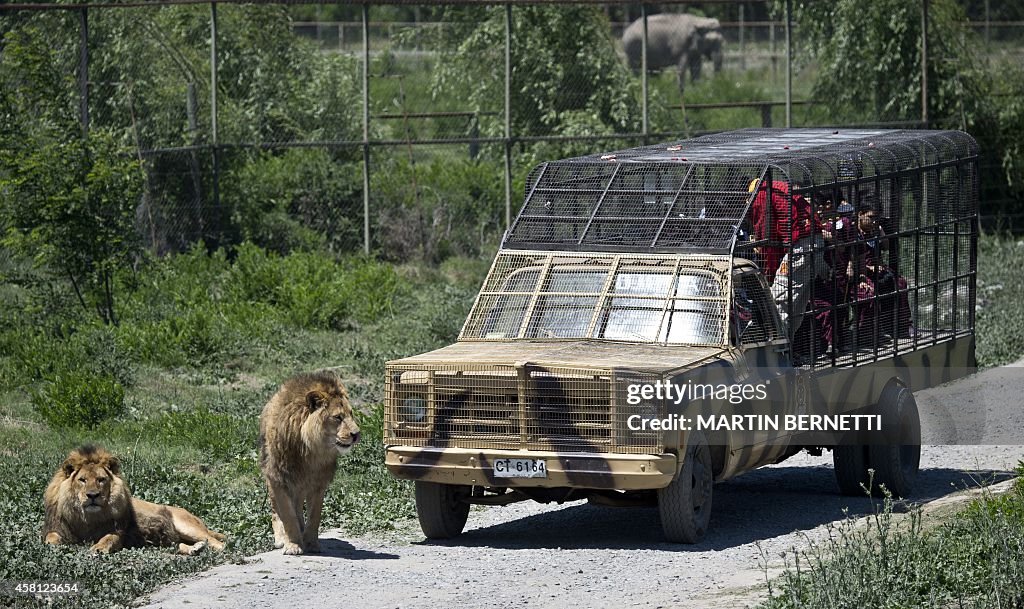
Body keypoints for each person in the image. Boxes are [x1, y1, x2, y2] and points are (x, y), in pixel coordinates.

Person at [747, 179, 826, 344]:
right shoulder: (777, 187)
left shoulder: (761, 194)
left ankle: (772, 349)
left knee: (778, 300)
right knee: (797, 304)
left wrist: (768, 269)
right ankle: (786, 348)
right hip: (815, 243)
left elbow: (765, 235)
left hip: (800, 247)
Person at [849, 204, 913, 343]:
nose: (873, 221)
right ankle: (869, 332)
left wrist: (881, 232)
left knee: (900, 284)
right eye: (870, 217)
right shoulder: (854, 233)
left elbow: (886, 247)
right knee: (870, 293)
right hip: (861, 272)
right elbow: (851, 260)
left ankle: (902, 326)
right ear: (860, 214)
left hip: (879, 269)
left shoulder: (874, 232)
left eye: (875, 219)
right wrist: (868, 268)